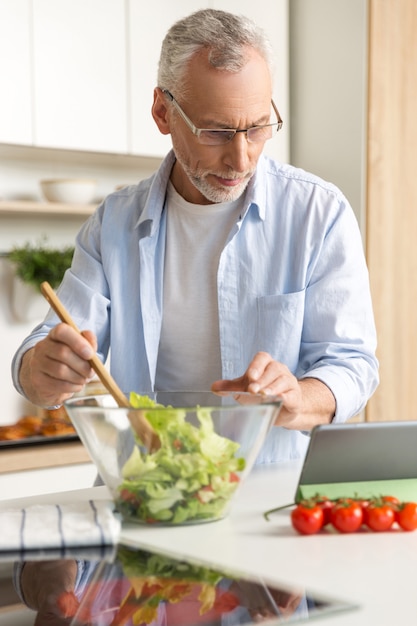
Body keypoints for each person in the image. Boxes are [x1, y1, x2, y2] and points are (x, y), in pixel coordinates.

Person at [11, 8, 378, 463]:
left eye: (259, 127)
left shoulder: (317, 214)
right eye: (216, 132)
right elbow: (46, 350)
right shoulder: (113, 225)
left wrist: (300, 397)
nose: (241, 159)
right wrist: (40, 370)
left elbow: (354, 365)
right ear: (163, 112)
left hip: (272, 500)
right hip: (149, 491)